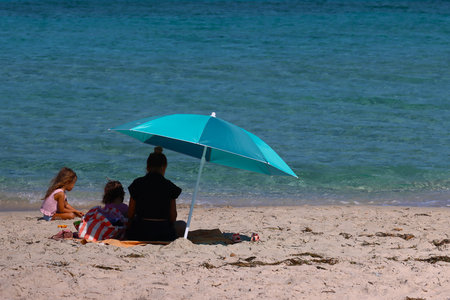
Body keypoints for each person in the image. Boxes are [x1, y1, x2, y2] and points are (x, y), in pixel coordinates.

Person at [126, 146, 186, 241]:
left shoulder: (137, 183)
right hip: (163, 233)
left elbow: (130, 214)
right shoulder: (169, 185)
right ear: (164, 167)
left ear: (147, 166)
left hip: (140, 232)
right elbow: (173, 216)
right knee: (183, 225)